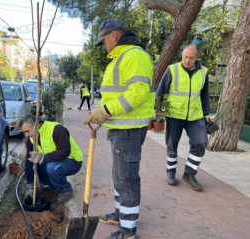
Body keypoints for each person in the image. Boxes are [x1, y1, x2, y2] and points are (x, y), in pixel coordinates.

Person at [83, 19, 155, 239]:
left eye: (103, 41)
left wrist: (106, 111)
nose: (103, 46)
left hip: (129, 130)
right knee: (119, 176)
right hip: (121, 128)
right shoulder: (120, 58)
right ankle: (120, 213)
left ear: (113, 35)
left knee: (126, 178)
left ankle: (128, 230)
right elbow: (117, 95)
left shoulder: (134, 55)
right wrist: (106, 115)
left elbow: (137, 94)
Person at [156, 44, 210, 192]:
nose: (187, 60)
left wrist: (206, 114)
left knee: (201, 142)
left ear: (196, 57)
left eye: (191, 57)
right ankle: (171, 172)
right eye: (185, 56)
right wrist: (159, 112)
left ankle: (190, 174)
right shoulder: (172, 69)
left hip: (195, 115)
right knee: (172, 145)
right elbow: (161, 92)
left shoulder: (204, 72)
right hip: (174, 114)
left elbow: (204, 95)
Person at [17, 114, 83, 203]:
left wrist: (44, 158)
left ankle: (65, 190)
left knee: (51, 168)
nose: (26, 135)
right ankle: (54, 184)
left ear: (34, 124)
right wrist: (30, 185)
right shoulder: (31, 138)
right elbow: (29, 160)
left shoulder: (56, 129)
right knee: (35, 168)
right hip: (55, 161)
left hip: (72, 161)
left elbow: (65, 151)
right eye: (24, 132)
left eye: (27, 131)